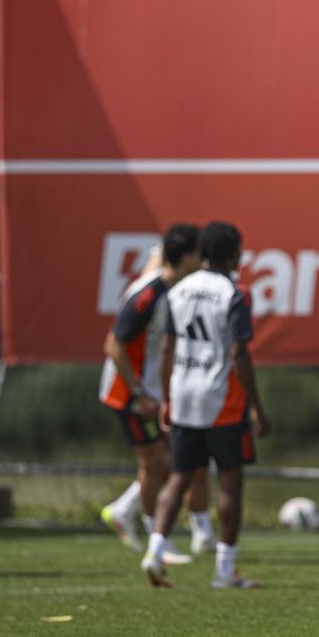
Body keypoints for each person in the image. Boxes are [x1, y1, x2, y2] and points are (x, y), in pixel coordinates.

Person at [141, 221, 271, 589]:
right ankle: (224, 570)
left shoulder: (179, 290)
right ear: (233, 254)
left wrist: (167, 397)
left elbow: (167, 348)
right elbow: (239, 353)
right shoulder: (235, 293)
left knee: (180, 476)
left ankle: (155, 551)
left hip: (183, 394)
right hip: (221, 398)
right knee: (230, 482)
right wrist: (257, 406)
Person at [99, 236, 215, 556]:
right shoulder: (148, 295)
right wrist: (139, 395)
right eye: (199, 256)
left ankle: (125, 511)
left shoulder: (168, 284)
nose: (204, 262)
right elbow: (113, 345)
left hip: (150, 390)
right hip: (129, 392)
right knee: (156, 461)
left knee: (177, 458)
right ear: (187, 258)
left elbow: (158, 256)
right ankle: (157, 542)